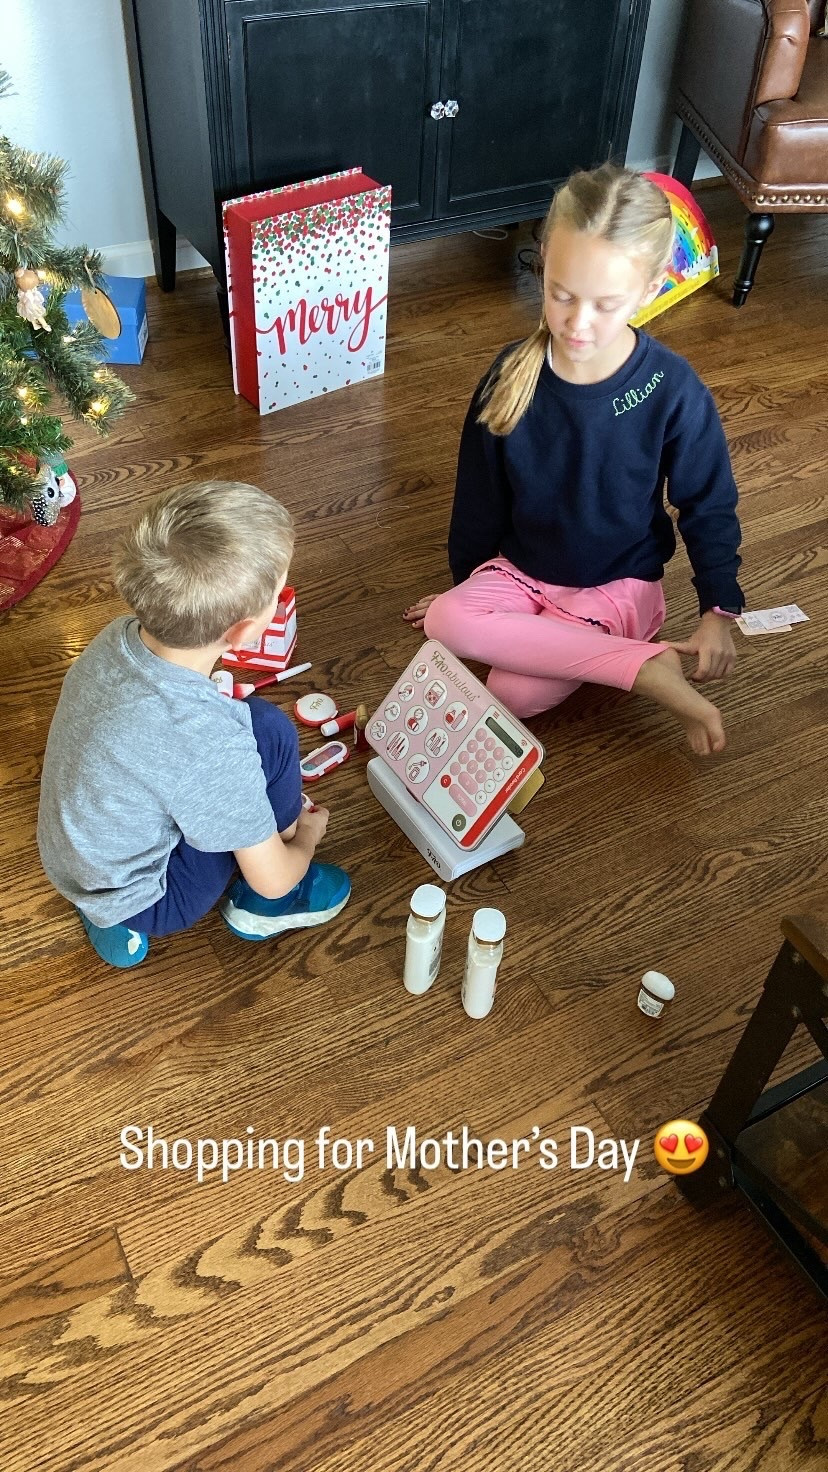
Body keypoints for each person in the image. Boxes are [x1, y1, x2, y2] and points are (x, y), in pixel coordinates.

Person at [404, 164, 744, 755]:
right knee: (445, 622)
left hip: (616, 584)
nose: (578, 323)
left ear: (649, 288)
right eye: (562, 295)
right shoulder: (511, 374)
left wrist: (719, 607)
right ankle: (639, 664)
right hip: (523, 572)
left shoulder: (672, 387)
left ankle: (645, 664)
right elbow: (478, 500)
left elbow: (707, 502)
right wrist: (472, 586)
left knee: (513, 693)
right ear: (543, 264)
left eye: (605, 304)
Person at [37, 481, 350, 968]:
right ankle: (271, 905)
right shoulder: (210, 744)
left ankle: (105, 916)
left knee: (243, 743)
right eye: (277, 593)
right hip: (156, 898)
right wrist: (308, 837)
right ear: (244, 632)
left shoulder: (112, 637)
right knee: (269, 729)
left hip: (73, 859)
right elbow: (272, 873)